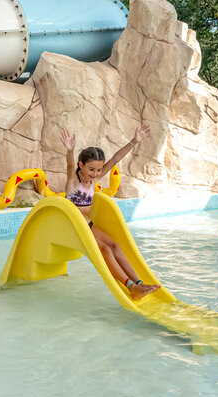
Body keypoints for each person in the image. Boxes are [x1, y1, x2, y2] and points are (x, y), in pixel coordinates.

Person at [60, 124, 161, 300]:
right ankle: (131, 287)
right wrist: (70, 151)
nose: (95, 174)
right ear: (81, 165)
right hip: (75, 229)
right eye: (91, 169)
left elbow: (115, 159)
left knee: (115, 246)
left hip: (88, 226)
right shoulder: (73, 181)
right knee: (106, 250)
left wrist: (134, 140)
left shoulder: (93, 180)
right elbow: (69, 166)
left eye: (98, 170)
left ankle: (139, 283)